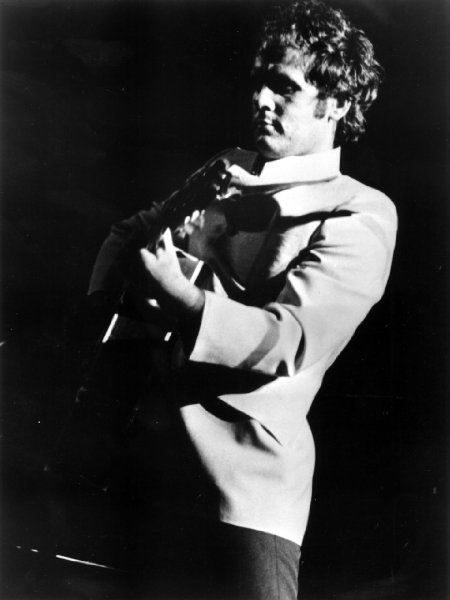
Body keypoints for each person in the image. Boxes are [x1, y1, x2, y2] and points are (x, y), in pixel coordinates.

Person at [86, 1, 397, 598]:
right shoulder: (227, 166)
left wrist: (179, 296)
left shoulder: (361, 210)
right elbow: (131, 233)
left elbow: (291, 341)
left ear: (337, 102)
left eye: (284, 86)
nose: (260, 99)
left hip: (243, 494)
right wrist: (98, 312)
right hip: (146, 472)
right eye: (258, 82)